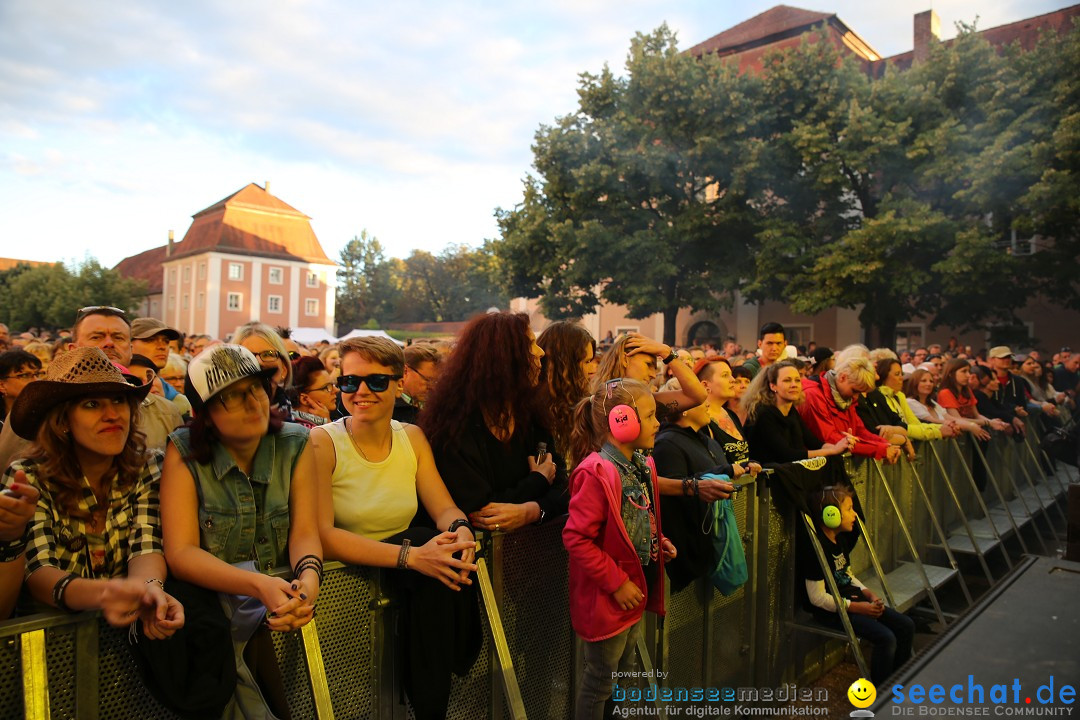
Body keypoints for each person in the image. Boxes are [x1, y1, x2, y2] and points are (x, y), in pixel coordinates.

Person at [310, 336, 480, 720]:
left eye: (376, 381)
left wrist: (461, 528)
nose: (362, 392)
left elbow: (444, 506)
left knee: (443, 539)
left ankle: (430, 702)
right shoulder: (322, 442)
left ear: (399, 383)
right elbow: (323, 536)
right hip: (345, 593)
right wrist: (412, 557)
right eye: (350, 382)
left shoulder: (412, 437)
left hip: (410, 585)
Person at [160, 344, 321, 717]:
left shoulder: (295, 442)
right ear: (204, 414)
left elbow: (305, 531)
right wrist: (258, 585)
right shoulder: (182, 451)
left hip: (282, 618)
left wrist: (308, 581)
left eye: (256, 388)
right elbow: (181, 553)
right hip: (218, 626)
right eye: (231, 396)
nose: (252, 403)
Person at [4, 347, 184, 635]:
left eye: (118, 400)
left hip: (123, 642)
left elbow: (146, 544)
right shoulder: (30, 475)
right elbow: (38, 571)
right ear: (63, 421)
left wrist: (149, 590)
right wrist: (105, 593)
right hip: (50, 638)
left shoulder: (148, 465)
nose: (112, 414)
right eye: (92, 404)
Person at [563, 378, 676, 719]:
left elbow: (636, 521)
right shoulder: (596, 472)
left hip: (631, 594)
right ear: (621, 420)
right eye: (651, 415)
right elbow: (577, 538)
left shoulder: (642, 465)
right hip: (610, 597)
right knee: (600, 680)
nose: (658, 423)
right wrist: (616, 582)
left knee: (620, 677)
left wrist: (659, 542)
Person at [420, 312, 568, 532]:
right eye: (529, 345)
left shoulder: (531, 414)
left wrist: (532, 511)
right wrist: (537, 481)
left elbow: (563, 489)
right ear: (502, 358)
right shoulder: (453, 427)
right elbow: (481, 512)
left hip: (532, 556)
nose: (541, 352)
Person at [799, 485, 915, 684]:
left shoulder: (839, 540)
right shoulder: (816, 549)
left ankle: (899, 680)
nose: (854, 515)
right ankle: (881, 693)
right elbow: (817, 598)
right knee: (886, 638)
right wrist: (859, 608)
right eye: (849, 509)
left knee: (906, 625)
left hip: (854, 602)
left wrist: (868, 594)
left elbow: (846, 574)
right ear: (830, 514)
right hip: (833, 611)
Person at [66, 305, 182, 451]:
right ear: (73, 350)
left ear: (131, 351)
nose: (109, 343)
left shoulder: (166, 412)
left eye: (118, 337)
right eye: (96, 337)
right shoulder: (51, 407)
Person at [652, 395, 734, 592]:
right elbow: (670, 492)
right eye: (701, 400)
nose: (708, 404)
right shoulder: (667, 443)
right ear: (685, 408)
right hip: (683, 549)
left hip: (703, 544)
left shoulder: (706, 439)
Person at [798, 354, 900, 463]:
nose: (856, 397)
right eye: (855, 391)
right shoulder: (813, 395)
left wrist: (886, 445)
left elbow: (860, 431)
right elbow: (831, 439)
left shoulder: (845, 396)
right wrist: (881, 449)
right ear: (842, 377)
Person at [743, 361, 850, 464]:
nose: (794, 385)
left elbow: (814, 443)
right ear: (773, 386)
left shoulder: (791, 410)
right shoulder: (763, 414)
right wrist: (833, 450)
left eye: (797, 380)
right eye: (787, 380)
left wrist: (841, 445)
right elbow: (787, 455)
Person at [590, 332, 707, 418]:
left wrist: (667, 352)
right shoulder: (595, 404)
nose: (653, 375)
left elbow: (698, 395)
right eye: (648, 365)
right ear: (625, 360)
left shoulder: (650, 401)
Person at [536, 321, 598, 463]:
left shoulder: (585, 404)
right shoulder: (537, 411)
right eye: (586, 362)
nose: (593, 369)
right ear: (566, 365)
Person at [234, 322, 296, 422]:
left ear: (284, 370)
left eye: (268, 354)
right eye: (248, 355)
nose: (258, 362)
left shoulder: (306, 429)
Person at [130, 318, 182, 401]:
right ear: (129, 344)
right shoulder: (113, 387)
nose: (162, 347)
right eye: (150, 340)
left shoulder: (177, 400)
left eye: (166, 341)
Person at [394, 344, 442, 425]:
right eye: (428, 380)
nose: (432, 387)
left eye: (436, 381)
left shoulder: (434, 408)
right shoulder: (389, 410)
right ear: (405, 371)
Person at [289, 356, 337, 428]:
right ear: (304, 399)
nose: (336, 390)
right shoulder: (300, 434)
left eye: (332, 384)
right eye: (327, 387)